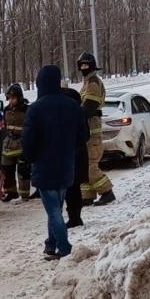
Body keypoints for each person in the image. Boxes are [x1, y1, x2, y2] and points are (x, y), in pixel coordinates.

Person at [22, 64, 84, 260]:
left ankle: (64, 248)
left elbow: (28, 140)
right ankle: (51, 244)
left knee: (54, 211)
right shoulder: (72, 105)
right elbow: (83, 135)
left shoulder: (36, 109)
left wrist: (31, 158)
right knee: (55, 207)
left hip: (44, 167)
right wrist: (69, 150)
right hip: (66, 165)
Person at [76, 51, 115, 205]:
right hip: (86, 131)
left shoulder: (93, 82)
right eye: (82, 65)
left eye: (86, 65)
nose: (83, 67)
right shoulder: (87, 82)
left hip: (92, 131)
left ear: (91, 66)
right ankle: (87, 196)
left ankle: (107, 192)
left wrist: (75, 115)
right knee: (84, 165)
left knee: (91, 166)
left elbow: (89, 107)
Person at [61, 85, 89, 227]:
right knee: (73, 188)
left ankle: (74, 217)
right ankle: (75, 216)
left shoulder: (69, 115)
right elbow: (86, 135)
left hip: (72, 156)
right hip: (78, 154)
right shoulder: (79, 112)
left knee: (71, 189)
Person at [0, 82, 31, 200]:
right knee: (7, 168)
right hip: (9, 142)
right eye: (9, 98)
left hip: (22, 142)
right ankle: (10, 192)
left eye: (13, 98)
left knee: (23, 169)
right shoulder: (6, 110)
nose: (11, 101)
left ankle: (24, 193)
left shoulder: (26, 109)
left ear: (19, 97)